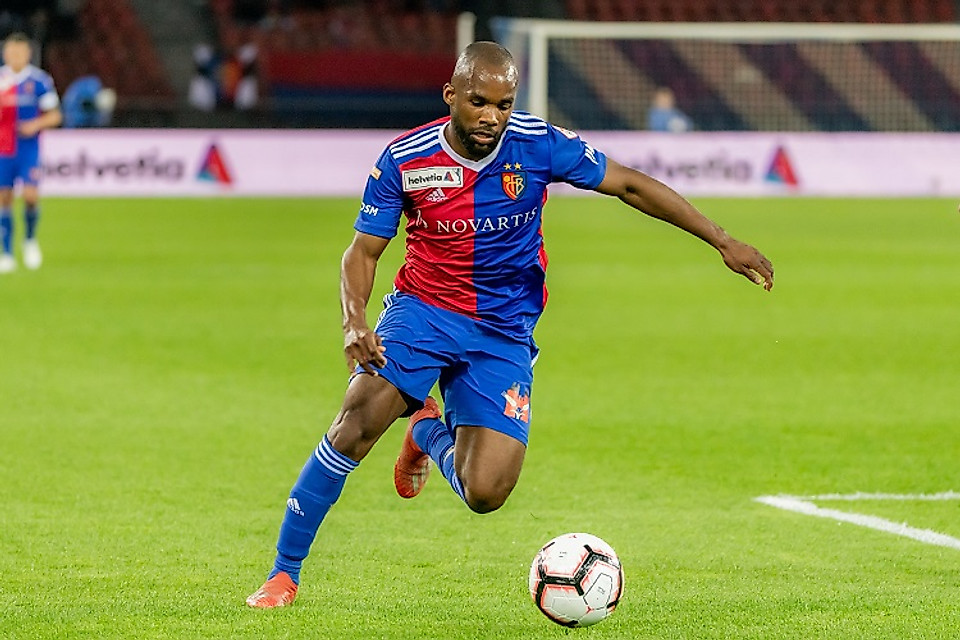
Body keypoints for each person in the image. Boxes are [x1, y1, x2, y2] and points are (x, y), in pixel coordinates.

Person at [245, 41, 773, 608]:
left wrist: (722, 240)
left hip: (503, 330)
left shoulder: (537, 143)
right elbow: (362, 252)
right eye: (479, 102)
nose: (492, 117)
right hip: (424, 312)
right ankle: (283, 574)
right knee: (356, 423)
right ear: (451, 95)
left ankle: (424, 431)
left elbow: (629, 184)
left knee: (486, 492)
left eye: (503, 104)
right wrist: (354, 322)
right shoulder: (405, 159)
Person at [0, 32, 61, 273]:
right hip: (3, 149)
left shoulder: (39, 81)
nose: (15, 56)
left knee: (30, 195)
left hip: (28, 149)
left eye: (19, 52)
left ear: (28, 54)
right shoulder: (1, 80)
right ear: (5, 53)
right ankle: (6, 253)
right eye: (11, 51)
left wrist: (34, 125)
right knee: (4, 198)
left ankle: (30, 239)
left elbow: (55, 116)